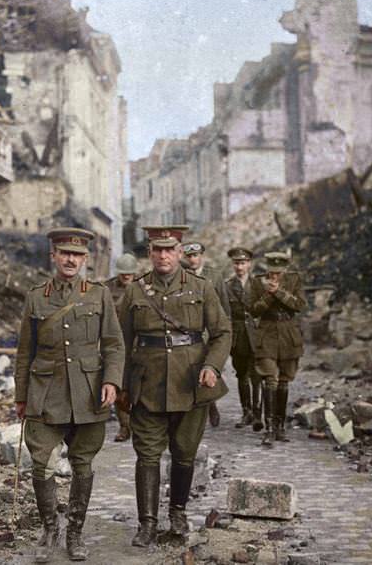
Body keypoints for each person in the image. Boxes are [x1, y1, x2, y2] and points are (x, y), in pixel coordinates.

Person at [14, 227, 125, 561]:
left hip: (89, 393)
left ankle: (75, 532)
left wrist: (112, 381)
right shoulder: (37, 296)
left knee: (83, 464)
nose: (70, 260)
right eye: (65, 254)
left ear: (85, 259)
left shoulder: (99, 294)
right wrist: (21, 397)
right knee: (41, 464)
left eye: (77, 255)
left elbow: (114, 344)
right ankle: (50, 529)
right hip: (45, 394)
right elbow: (24, 352)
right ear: (54, 256)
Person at [117, 225, 231, 547]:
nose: (163, 255)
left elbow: (222, 332)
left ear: (181, 253)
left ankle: (178, 513)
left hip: (190, 382)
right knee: (147, 454)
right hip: (147, 383)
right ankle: (147, 523)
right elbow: (120, 341)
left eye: (170, 249)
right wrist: (121, 386)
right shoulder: (135, 292)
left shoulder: (202, 287)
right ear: (149, 253)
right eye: (157, 249)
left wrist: (211, 365)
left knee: (184, 453)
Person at [246, 251, 307, 447]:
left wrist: (279, 292)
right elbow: (253, 310)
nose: (274, 276)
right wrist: (268, 296)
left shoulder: (295, 280)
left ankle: (280, 426)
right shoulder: (257, 282)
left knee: (283, 381)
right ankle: (269, 428)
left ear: (285, 270)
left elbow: (300, 305)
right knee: (269, 380)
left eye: (278, 273)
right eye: (272, 272)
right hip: (267, 334)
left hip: (289, 334)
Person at [181, 241, 231, 428]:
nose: (193, 260)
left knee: (211, 366)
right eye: (189, 256)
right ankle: (205, 405)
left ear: (202, 256)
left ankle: (211, 403)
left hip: (211, 331)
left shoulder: (214, 276)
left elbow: (224, 308)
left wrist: (224, 332)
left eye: (196, 256)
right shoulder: (182, 276)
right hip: (192, 331)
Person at [225, 247, 263, 430]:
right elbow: (225, 313)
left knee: (257, 375)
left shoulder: (258, 285)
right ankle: (246, 411)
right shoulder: (228, 286)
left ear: (249, 264)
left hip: (256, 334)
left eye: (242, 263)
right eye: (236, 263)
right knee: (242, 374)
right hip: (238, 335)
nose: (239, 267)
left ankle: (257, 414)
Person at [105, 252, 140, 441]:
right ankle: (124, 426)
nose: (126, 277)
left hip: (140, 343)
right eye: (123, 274)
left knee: (141, 386)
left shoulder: (144, 286)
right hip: (117, 344)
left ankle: (141, 425)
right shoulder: (107, 289)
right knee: (118, 386)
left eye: (130, 274)